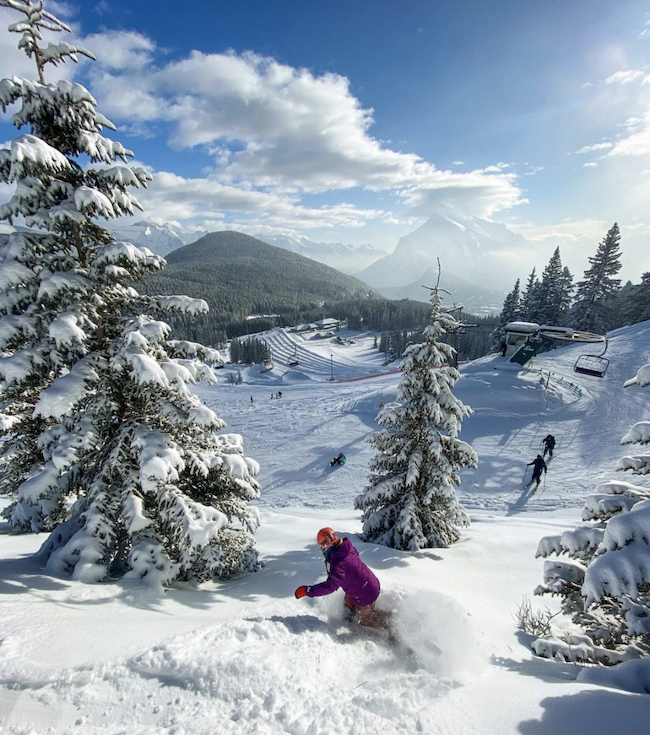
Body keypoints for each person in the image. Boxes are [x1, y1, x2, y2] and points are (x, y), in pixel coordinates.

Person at [294, 528, 390, 628]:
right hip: (363, 583)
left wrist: (307, 590)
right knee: (348, 602)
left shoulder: (339, 563)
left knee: (365, 620)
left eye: (322, 545)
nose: (322, 548)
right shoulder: (345, 548)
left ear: (327, 544)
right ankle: (349, 621)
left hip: (367, 592)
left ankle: (388, 623)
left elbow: (330, 586)